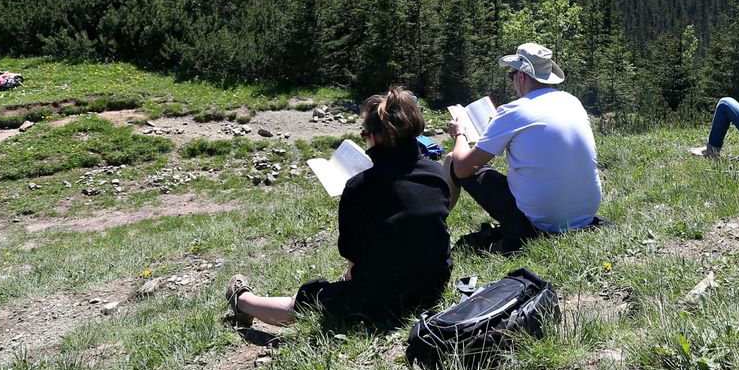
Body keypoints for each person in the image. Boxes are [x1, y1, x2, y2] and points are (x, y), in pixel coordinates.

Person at [225, 86, 451, 328]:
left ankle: (242, 301)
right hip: (434, 286)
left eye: (364, 134)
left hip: (388, 300)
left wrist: (349, 281)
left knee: (308, 300)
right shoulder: (436, 173)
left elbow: (353, 253)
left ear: (374, 137)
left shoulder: (359, 187)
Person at [446, 43, 602, 252]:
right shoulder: (572, 101)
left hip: (539, 223)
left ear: (521, 76)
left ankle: (434, 229)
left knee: (451, 160)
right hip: (584, 215)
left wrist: (460, 133)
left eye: (512, 75)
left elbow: (462, 168)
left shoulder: (514, 111)